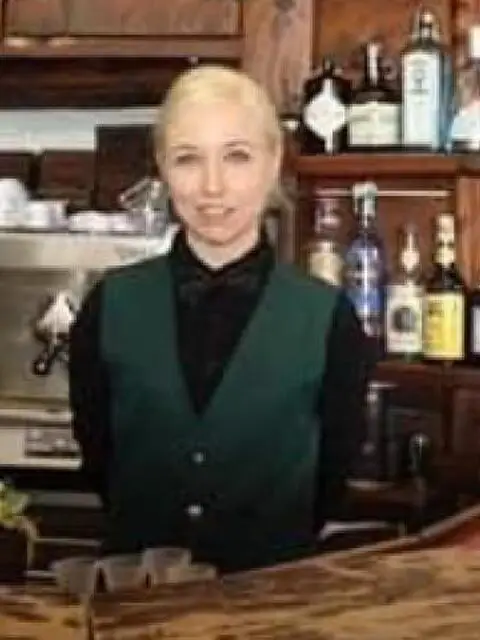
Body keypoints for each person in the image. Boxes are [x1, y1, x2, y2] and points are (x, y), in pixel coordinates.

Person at [68, 64, 374, 574]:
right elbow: (99, 458)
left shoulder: (329, 318)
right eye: (188, 159)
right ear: (163, 168)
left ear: (272, 163)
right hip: (138, 599)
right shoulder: (109, 303)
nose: (213, 187)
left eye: (237, 156)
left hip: (272, 600)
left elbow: (331, 479)